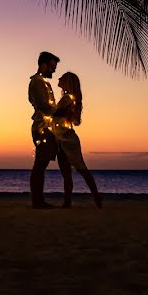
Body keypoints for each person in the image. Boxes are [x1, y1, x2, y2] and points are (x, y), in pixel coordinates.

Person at [49, 72, 102, 208]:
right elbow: (75, 120)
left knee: (79, 169)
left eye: (62, 78)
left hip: (67, 138)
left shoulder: (67, 98)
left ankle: (93, 198)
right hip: (60, 138)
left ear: (68, 82)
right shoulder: (70, 99)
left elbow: (53, 113)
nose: (59, 79)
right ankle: (70, 201)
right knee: (70, 172)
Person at [28, 51, 67, 209]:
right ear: (43, 65)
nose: (54, 70)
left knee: (41, 165)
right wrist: (61, 111)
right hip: (42, 128)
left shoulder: (43, 82)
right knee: (40, 165)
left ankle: (38, 200)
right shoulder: (37, 83)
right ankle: (37, 201)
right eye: (52, 66)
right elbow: (44, 106)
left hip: (48, 128)